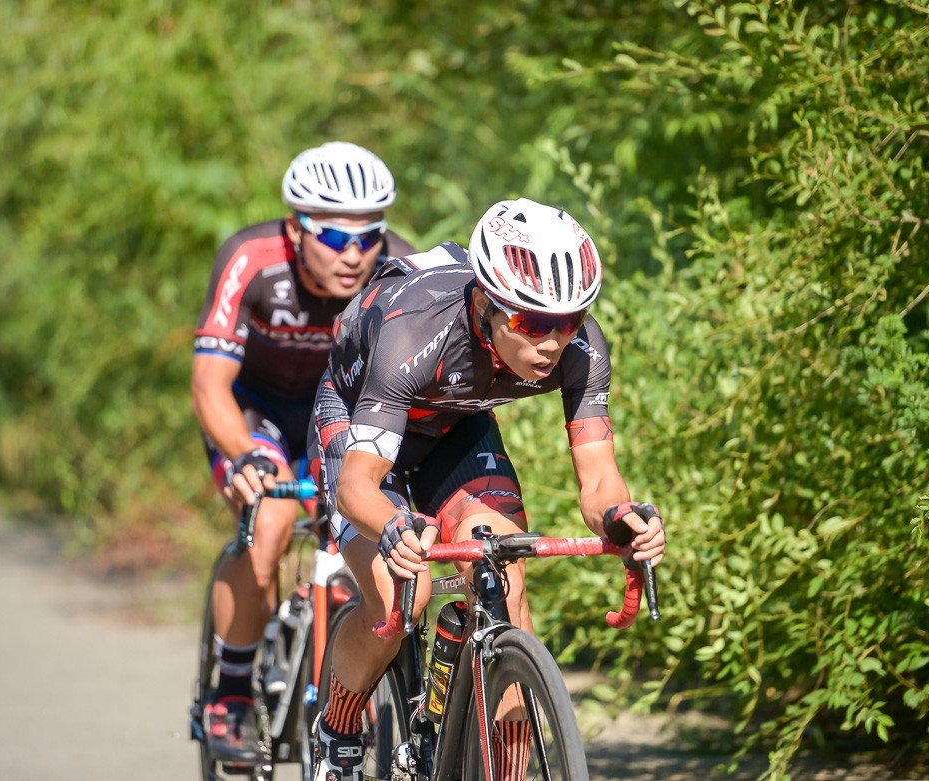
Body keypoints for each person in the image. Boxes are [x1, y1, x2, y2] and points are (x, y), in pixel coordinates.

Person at [306, 197, 666, 780]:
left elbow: (599, 478)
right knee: (405, 594)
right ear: (485, 304)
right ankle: (339, 728)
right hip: (358, 424)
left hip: (454, 424)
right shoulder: (414, 336)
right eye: (531, 322)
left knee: (506, 578)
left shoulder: (581, 346)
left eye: (569, 321)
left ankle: (508, 768)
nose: (553, 341)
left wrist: (622, 519)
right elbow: (358, 487)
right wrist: (396, 527)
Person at [192, 141, 414, 763]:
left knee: (357, 530)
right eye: (336, 239)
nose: (356, 254)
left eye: (369, 237)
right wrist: (248, 456)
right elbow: (210, 385)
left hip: (335, 414)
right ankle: (232, 689)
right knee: (271, 519)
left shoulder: (398, 266)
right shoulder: (252, 258)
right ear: (295, 229)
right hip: (255, 409)